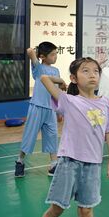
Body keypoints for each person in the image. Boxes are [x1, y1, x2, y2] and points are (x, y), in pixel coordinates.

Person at [28, 57, 109, 217]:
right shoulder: (68, 100)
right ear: (74, 78)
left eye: (96, 71)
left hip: (93, 164)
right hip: (69, 162)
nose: (92, 74)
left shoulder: (107, 104)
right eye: (85, 71)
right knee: (57, 208)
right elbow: (44, 78)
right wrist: (63, 82)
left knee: (86, 210)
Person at [15, 42, 62, 178]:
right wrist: (36, 52)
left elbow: (56, 92)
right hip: (37, 107)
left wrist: (59, 110)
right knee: (30, 135)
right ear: (42, 56)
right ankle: (20, 161)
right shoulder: (38, 68)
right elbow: (30, 51)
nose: (55, 57)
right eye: (52, 54)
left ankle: (53, 164)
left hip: (51, 109)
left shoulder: (56, 71)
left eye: (56, 54)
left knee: (52, 136)